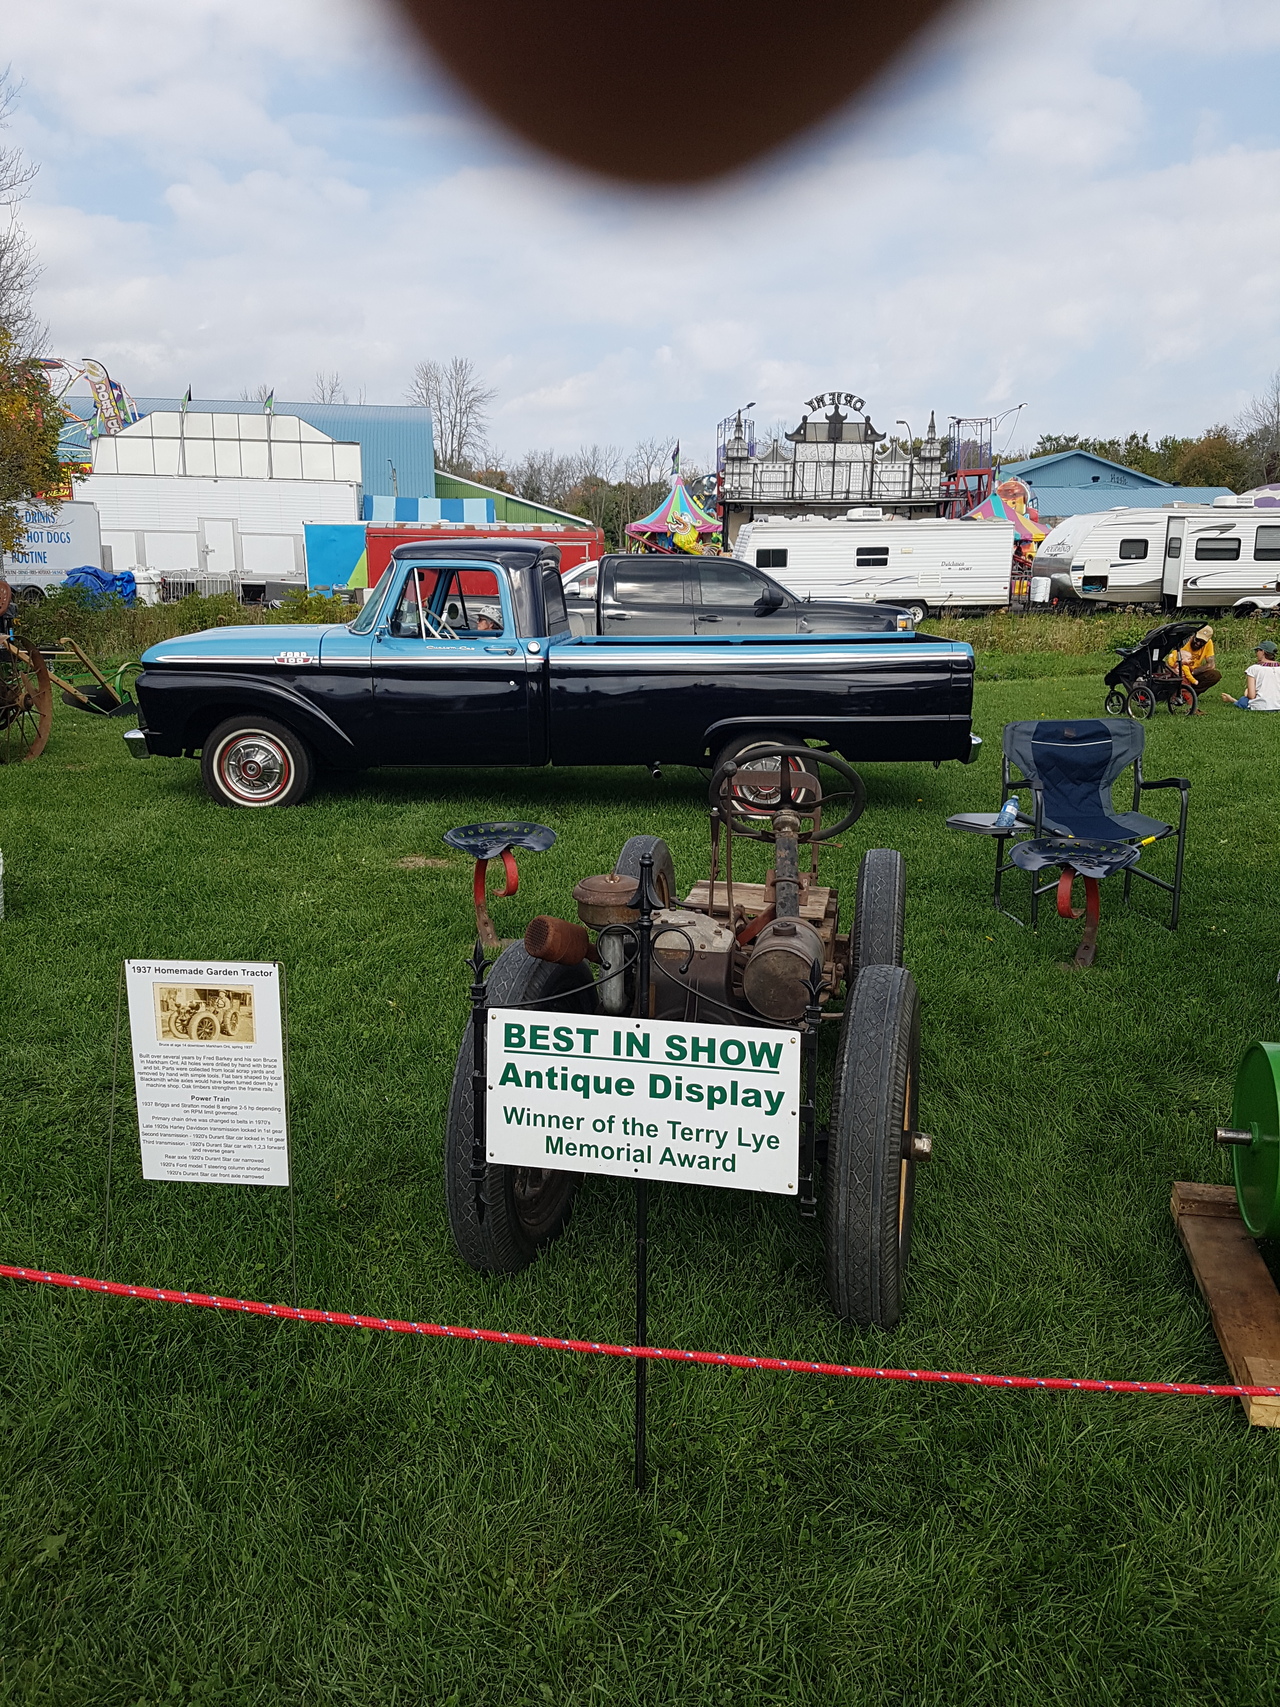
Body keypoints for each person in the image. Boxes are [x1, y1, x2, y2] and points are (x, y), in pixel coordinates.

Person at [1164, 625, 1220, 711]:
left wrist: (1193, 672)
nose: (1198, 643)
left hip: (1192, 672)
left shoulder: (1208, 643)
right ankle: (1176, 694)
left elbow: (1211, 665)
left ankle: (1190, 694)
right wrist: (1174, 669)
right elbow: (1169, 660)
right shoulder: (1183, 641)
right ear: (1194, 635)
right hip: (1177, 672)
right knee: (1179, 678)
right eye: (1197, 640)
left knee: (1215, 675)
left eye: (1202, 642)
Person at [1222, 639, 1280, 710]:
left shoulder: (1253, 669)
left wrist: (1247, 692)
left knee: (1244, 699)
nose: (1256, 653)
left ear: (1262, 652)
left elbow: (1251, 696)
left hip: (1261, 706)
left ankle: (1232, 700)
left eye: (1257, 651)